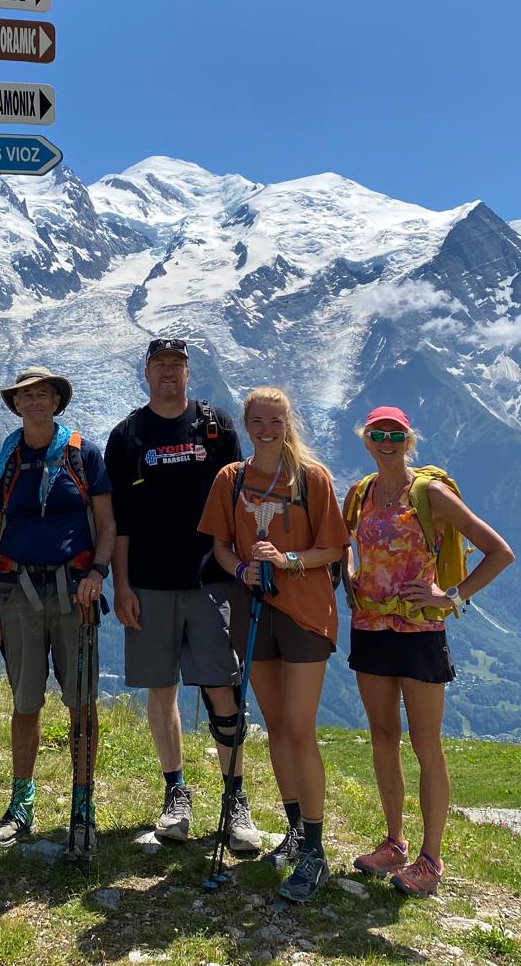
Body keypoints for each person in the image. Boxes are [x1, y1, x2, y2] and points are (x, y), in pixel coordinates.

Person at [345, 406, 514, 899]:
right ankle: (394, 844)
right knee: (382, 737)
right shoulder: (359, 493)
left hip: (420, 632)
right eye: (378, 434)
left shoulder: (430, 493)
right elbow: (346, 543)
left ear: (409, 440)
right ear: (366, 439)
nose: (386, 442)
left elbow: (499, 551)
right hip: (369, 627)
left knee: (425, 744)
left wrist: (451, 596)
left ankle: (431, 859)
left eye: (395, 434)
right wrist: (350, 573)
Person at [104, 337, 259, 853]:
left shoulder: (217, 427)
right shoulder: (127, 436)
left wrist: (242, 571)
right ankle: (176, 792)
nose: (168, 372)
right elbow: (120, 522)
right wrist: (121, 585)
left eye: (176, 364)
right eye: (159, 365)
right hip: (148, 583)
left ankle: (235, 799)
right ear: (146, 372)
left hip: (211, 580)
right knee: (161, 689)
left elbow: (239, 503)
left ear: (188, 372)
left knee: (222, 689)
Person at [199, 386, 350, 902]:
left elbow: (334, 548)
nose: (266, 430)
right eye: (257, 421)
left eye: (275, 421)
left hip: (305, 613)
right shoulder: (231, 479)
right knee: (279, 726)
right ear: (246, 425)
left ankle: (316, 850)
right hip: (253, 610)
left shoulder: (312, 478)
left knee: (301, 729)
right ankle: (296, 832)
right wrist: (242, 568)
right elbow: (220, 546)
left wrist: (287, 561)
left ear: (289, 425)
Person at [0, 367, 115, 860]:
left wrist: (99, 572)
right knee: (26, 703)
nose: (34, 401)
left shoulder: (83, 455)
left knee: (81, 704)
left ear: (56, 401)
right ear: (16, 405)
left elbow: (107, 523)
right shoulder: (4, 462)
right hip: (18, 594)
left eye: (42, 394)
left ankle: (83, 805)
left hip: (75, 591)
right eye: (26, 395)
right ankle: (22, 804)